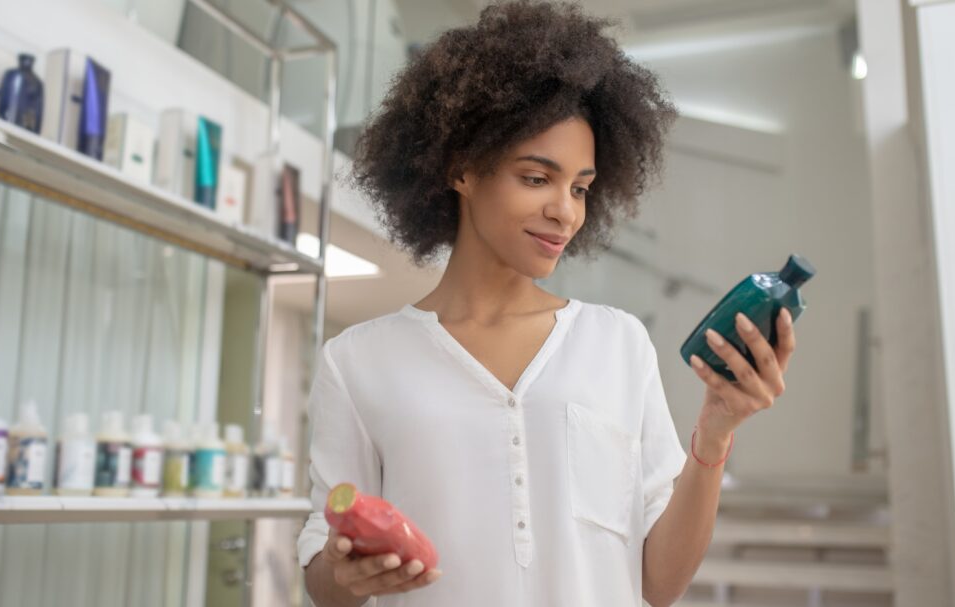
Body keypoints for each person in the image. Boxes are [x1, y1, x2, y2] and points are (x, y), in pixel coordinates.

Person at [298, 1, 798, 606]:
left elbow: (660, 584)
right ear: (461, 168)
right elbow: (326, 581)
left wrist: (715, 434)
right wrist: (345, 572)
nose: (566, 211)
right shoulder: (357, 363)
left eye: (581, 188)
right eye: (537, 178)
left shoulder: (617, 343)